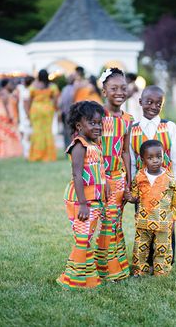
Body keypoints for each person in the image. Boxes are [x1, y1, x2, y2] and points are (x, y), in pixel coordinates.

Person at [130, 85, 176, 266]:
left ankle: (167, 258)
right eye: (149, 102)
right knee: (144, 222)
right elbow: (131, 160)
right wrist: (132, 188)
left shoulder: (169, 126)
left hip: (165, 186)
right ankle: (146, 260)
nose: (153, 106)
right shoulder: (133, 129)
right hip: (143, 186)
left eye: (158, 103)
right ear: (140, 102)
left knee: (167, 223)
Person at [57, 101, 107, 289]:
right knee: (83, 238)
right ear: (79, 126)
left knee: (87, 238)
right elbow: (77, 174)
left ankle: (88, 277)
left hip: (93, 199)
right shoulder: (79, 145)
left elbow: (98, 169)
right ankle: (72, 279)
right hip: (81, 201)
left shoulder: (94, 144)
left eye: (99, 123)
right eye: (92, 123)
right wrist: (83, 203)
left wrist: (105, 187)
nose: (97, 126)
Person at [125, 140, 176, 276]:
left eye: (159, 156)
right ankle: (140, 270)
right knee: (140, 248)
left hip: (163, 223)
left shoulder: (169, 178)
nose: (155, 161)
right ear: (143, 159)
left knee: (162, 248)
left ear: (163, 156)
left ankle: (161, 271)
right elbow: (135, 197)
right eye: (150, 157)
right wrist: (129, 198)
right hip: (143, 222)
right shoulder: (139, 177)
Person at [95, 68, 134, 281]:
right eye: (113, 88)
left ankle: (117, 266)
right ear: (104, 91)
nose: (119, 92)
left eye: (123, 88)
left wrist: (128, 180)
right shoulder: (98, 116)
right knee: (108, 221)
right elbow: (95, 150)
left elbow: (126, 151)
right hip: (103, 178)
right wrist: (102, 179)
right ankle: (105, 268)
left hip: (119, 177)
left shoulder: (128, 119)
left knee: (116, 221)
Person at [28, 69, 59, 162]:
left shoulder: (33, 85)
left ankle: (36, 155)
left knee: (37, 132)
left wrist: (29, 111)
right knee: (47, 131)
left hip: (35, 109)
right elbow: (55, 99)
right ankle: (48, 156)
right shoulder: (52, 86)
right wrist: (53, 108)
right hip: (47, 109)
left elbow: (29, 99)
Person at [0, 79, 22, 158]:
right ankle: (8, 151)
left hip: (9, 113)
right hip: (6, 114)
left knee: (9, 134)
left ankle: (10, 151)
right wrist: (8, 116)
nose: (11, 85)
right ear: (5, 85)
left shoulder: (6, 93)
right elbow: (5, 105)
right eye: (10, 84)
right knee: (8, 133)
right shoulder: (4, 93)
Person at [14, 76, 34, 158]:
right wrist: (29, 116)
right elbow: (26, 106)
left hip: (23, 115)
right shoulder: (27, 92)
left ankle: (27, 153)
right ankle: (27, 153)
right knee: (27, 135)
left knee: (26, 134)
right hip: (26, 116)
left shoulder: (23, 91)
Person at [59, 74, 75, 149]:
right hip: (72, 113)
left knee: (66, 132)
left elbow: (61, 103)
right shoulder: (75, 89)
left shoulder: (64, 89)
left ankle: (68, 148)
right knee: (71, 132)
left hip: (66, 113)